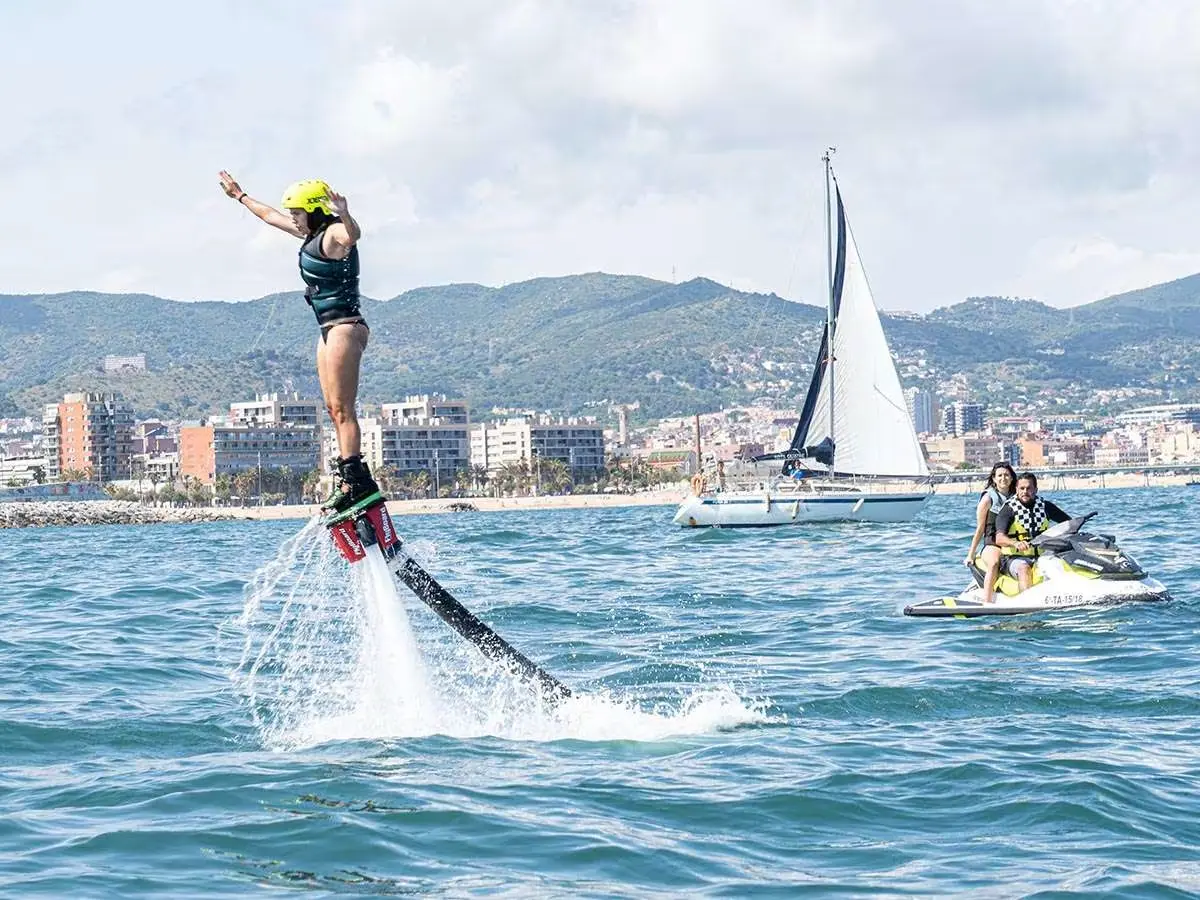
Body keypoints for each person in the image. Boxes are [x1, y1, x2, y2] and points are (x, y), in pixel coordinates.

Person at [217, 171, 379, 512]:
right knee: (333, 411)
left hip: (345, 328)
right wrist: (240, 196)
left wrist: (345, 212)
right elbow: (270, 217)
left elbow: (353, 234)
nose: (292, 217)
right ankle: (347, 478)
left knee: (344, 409)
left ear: (314, 211)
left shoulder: (334, 232)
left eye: (297, 211)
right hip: (327, 331)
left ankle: (357, 483)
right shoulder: (309, 234)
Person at [993, 472, 1072, 595]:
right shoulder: (1008, 510)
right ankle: (1027, 602)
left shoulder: (1045, 506)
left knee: (1061, 565)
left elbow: (1068, 523)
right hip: (1013, 558)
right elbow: (999, 538)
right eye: (1022, 488)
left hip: (1041, 556)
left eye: (1029, 488)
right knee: (1024, 568)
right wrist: (1015, 543)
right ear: (1016, 489)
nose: (1025, 491)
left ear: (1035, 489)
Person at [964, 462, 1016, 604]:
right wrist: (970, 554)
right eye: (999, 475)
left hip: (1012, 542)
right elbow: (980, 528)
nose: (1003, 478)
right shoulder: (988, 498)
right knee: (993, 563)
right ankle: (987, 602)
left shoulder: (1018, 496)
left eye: (1006, 475)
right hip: (993, 543)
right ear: (993, 478)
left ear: (1012, 478)